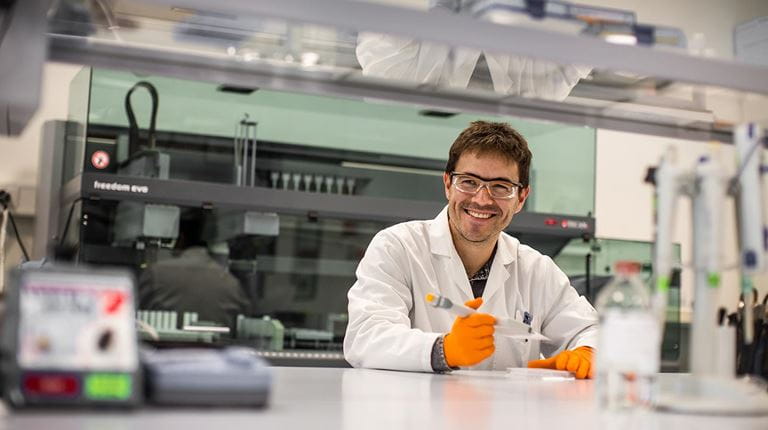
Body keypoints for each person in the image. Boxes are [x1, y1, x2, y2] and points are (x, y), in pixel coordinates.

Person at [344, 121, 598, 378]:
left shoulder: (536, 269)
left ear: (521, 198)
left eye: (501, 187)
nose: (482, 199)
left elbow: (587, 329)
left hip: (508, 417)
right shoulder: (397, 247)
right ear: (447, 184)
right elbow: (366, 337)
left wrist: (588, 350)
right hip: (419, 414)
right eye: (468, 182)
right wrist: (442, 350)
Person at [138, 214, 251, 328]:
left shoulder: (156, 273)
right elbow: (242, 323)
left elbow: (134, 314)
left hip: (162, 345)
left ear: (181, 238)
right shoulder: (230, 282)